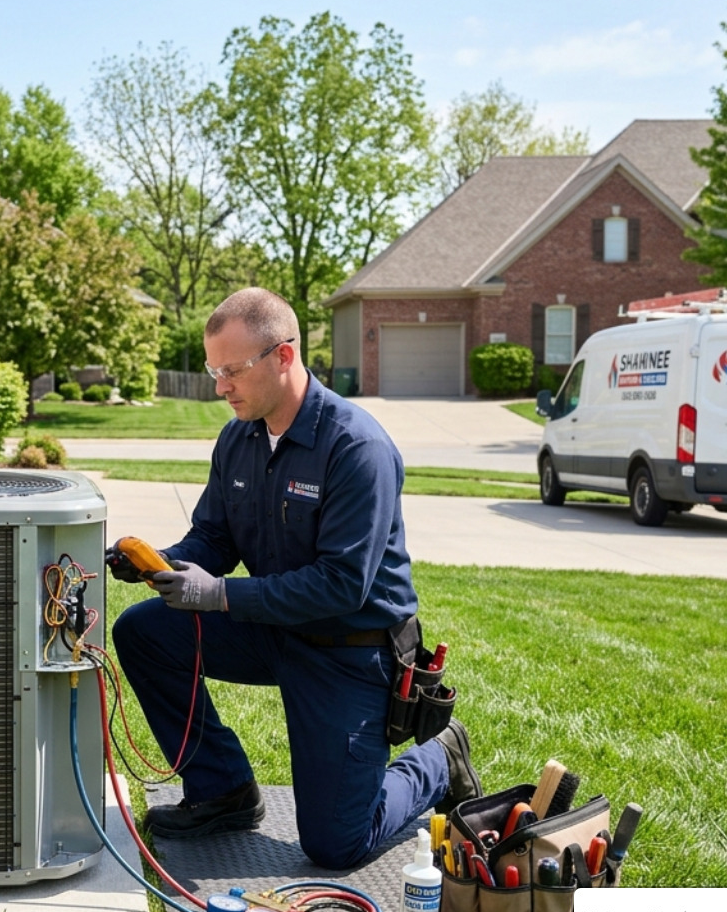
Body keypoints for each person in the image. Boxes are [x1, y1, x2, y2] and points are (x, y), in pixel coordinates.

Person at [107, 288, 481, 869]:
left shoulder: (356, 447)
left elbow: (340, 586)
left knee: (336, 845)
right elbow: (214, 540)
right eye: (214, 369)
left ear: (282, 356)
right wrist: (159, 562)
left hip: (349, 651)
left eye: (231, 370)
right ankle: (223, 791)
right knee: (143, 630)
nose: (219, 386)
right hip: (272, 629)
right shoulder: (240, 437)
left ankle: (438, 757)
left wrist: (220, 595)